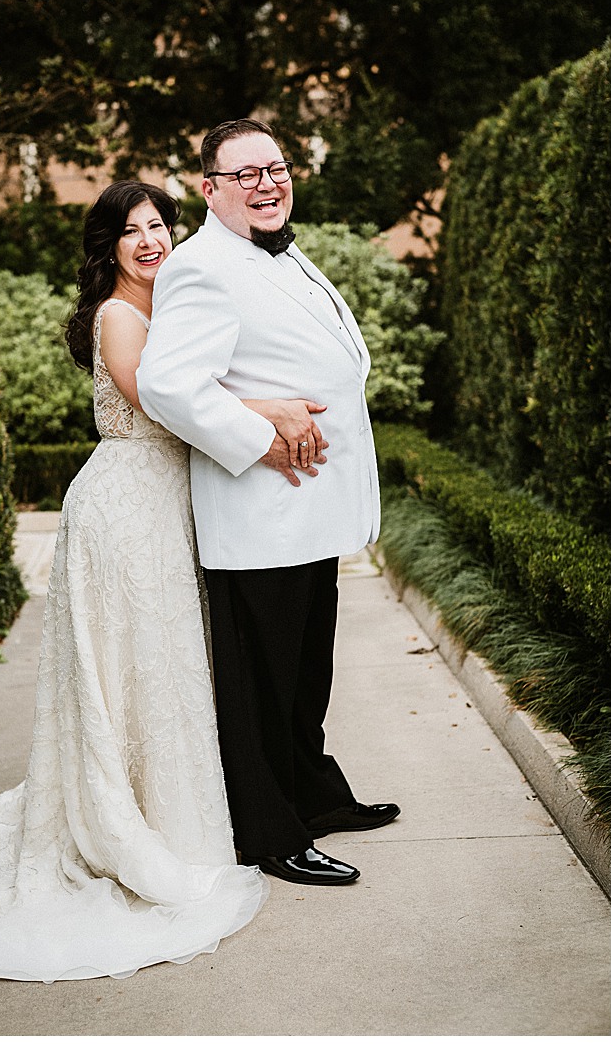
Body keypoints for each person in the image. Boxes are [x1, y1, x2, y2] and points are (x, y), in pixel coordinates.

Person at [0, 181, 340, 982]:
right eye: (131, 231)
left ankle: (173, 805)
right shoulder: (118, 317)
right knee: (133, 667)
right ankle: (130, 821)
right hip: (124, 510)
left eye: (159, 224)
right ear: (109, 248)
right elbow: (159, 406)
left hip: (172, 506)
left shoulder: (176, 310)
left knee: (164, 670)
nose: (150, 240)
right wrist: (270, 407)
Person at [136, 118, 398, 887]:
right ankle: (271, 833)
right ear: (209, 190)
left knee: (307, 672)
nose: (265, 185)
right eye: (244, 175)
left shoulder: (275, 249)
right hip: (260, 511)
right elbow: (167, 385)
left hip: (308, 511)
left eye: (274, 169)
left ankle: (314, 796)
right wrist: (260, 429)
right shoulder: (202, 266)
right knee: (261, 687)